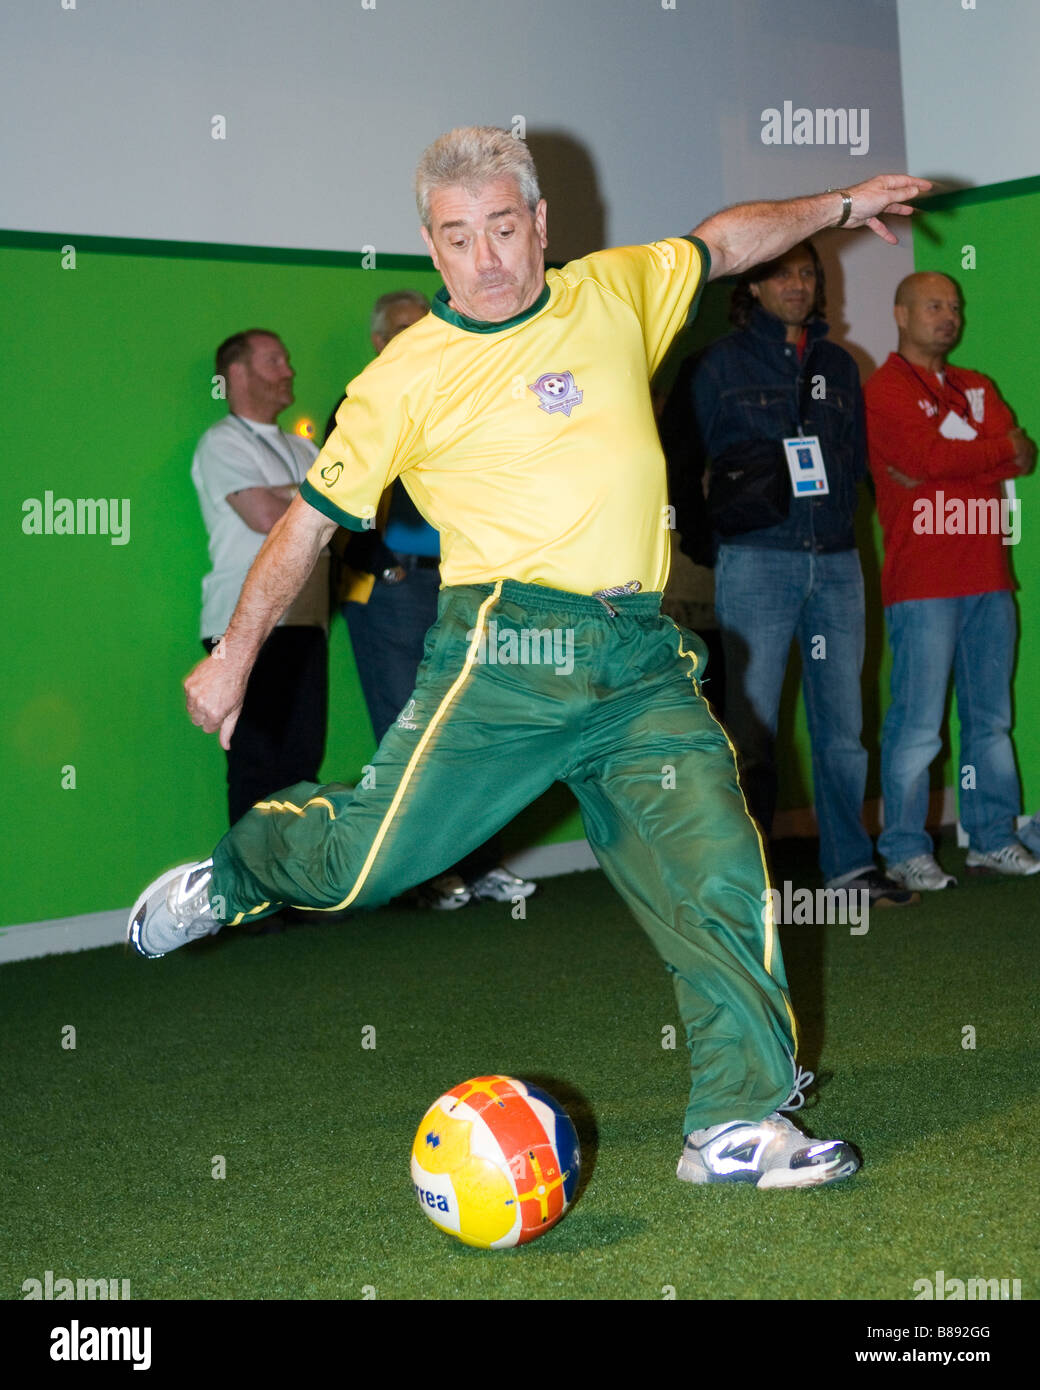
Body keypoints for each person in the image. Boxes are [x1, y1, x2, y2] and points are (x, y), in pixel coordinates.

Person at [130, 127, 929, 1190]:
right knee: (362, 867)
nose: (487, 258)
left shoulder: (612, 292)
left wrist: (837, 204)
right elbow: (309, 525)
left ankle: (732, 1122)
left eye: (504, 229)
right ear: (431, 245)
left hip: (640, 652)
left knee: (717, 867)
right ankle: (238, 871)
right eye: (458, 239)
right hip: (506, 652)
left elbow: (724, 243)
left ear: (538, 225)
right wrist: (233, 653)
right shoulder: (404, 378)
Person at [685, 243, 914, 908]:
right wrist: (708, 545)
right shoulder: (718, 365)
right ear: (752, 287)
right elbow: (678, 461)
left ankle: (849, 867)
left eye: (809, 272)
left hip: (838, 561)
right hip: (756, 560)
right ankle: (743, 879)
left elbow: (856, 462)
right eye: (782, 272)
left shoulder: (841, 366)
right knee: (749, 730)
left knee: (843, 730)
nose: (798, 283)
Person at [327, 290, 537, 910]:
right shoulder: (363, 397)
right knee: (408, 730)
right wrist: (382, 566)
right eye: (400, 326)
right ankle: (421, 876)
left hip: (461, 586)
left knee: (472, 726)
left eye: (425, 321)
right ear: (377, 341)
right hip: (392, 590)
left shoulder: (468, 393)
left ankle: (477, 865)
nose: (417, 331)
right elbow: (334, 494)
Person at [864, 272, 1040, 888]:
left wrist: (957, 462)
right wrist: (983, 456)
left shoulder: (978, 385)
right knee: (917, 724)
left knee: (990, 719)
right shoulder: (883, 390)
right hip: (922, 584)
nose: (949, 316)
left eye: (956, 307)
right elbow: (924, 460)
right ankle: (905, 848)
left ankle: (992, 838)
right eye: (934, 305)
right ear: (901, 314)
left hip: (990, 577)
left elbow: (1024, 454)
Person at [191, 330, 328, 825]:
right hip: (241, 624)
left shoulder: (302, 446)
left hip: (307, 623)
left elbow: (349, 516)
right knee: (257, 764)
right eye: (275, 361)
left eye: (287, 359)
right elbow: (265, 515)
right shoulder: (221, 442)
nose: (289, 370)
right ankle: (254, 899)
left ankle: (294, 896)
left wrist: (296, 496)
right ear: (238, 374)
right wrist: (312, 497)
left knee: (300, 767)